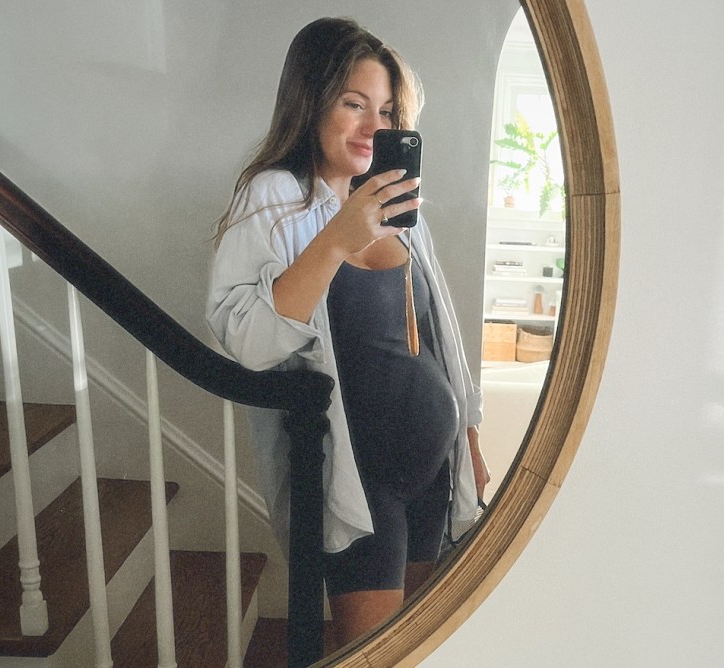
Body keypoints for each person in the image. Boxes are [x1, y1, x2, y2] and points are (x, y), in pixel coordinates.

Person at [205, 17, 489, 648]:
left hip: (434, 474)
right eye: (353, 104)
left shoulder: (395, 201)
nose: (373, 128)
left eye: (387, 112)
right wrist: (336, 237)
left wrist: (467, 433)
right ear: (311, 103)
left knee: (425, 648)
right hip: (359, 487)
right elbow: (247, 340)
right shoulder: (272, 198)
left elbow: (439, 334)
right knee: (376, 654)